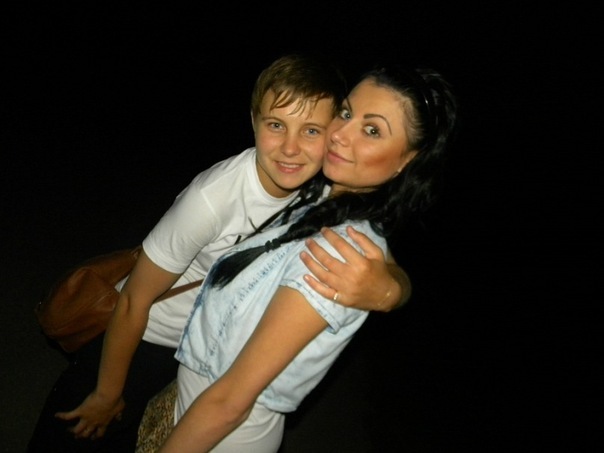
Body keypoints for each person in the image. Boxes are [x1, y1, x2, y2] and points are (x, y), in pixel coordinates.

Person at [27, 53, 411, 452]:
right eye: (276, 125)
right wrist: (106, 393)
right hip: (141, 340)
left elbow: (377, 251)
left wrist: (392, 291)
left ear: (331, 134)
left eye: (311, 130)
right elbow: (133, 301)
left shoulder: (322, 187)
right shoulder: (213, 198)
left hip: (197, 356)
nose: (291, 148)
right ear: (254, 121)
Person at [157, 62, 459, 452]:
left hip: (220, 435)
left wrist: (392, 291)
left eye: (372, 130)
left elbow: (230, 402)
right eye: (346, 114)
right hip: (197, 409)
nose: (340, 134)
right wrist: (395, 291)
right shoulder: (322, 198)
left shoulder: (337, 255)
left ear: (407, 161)